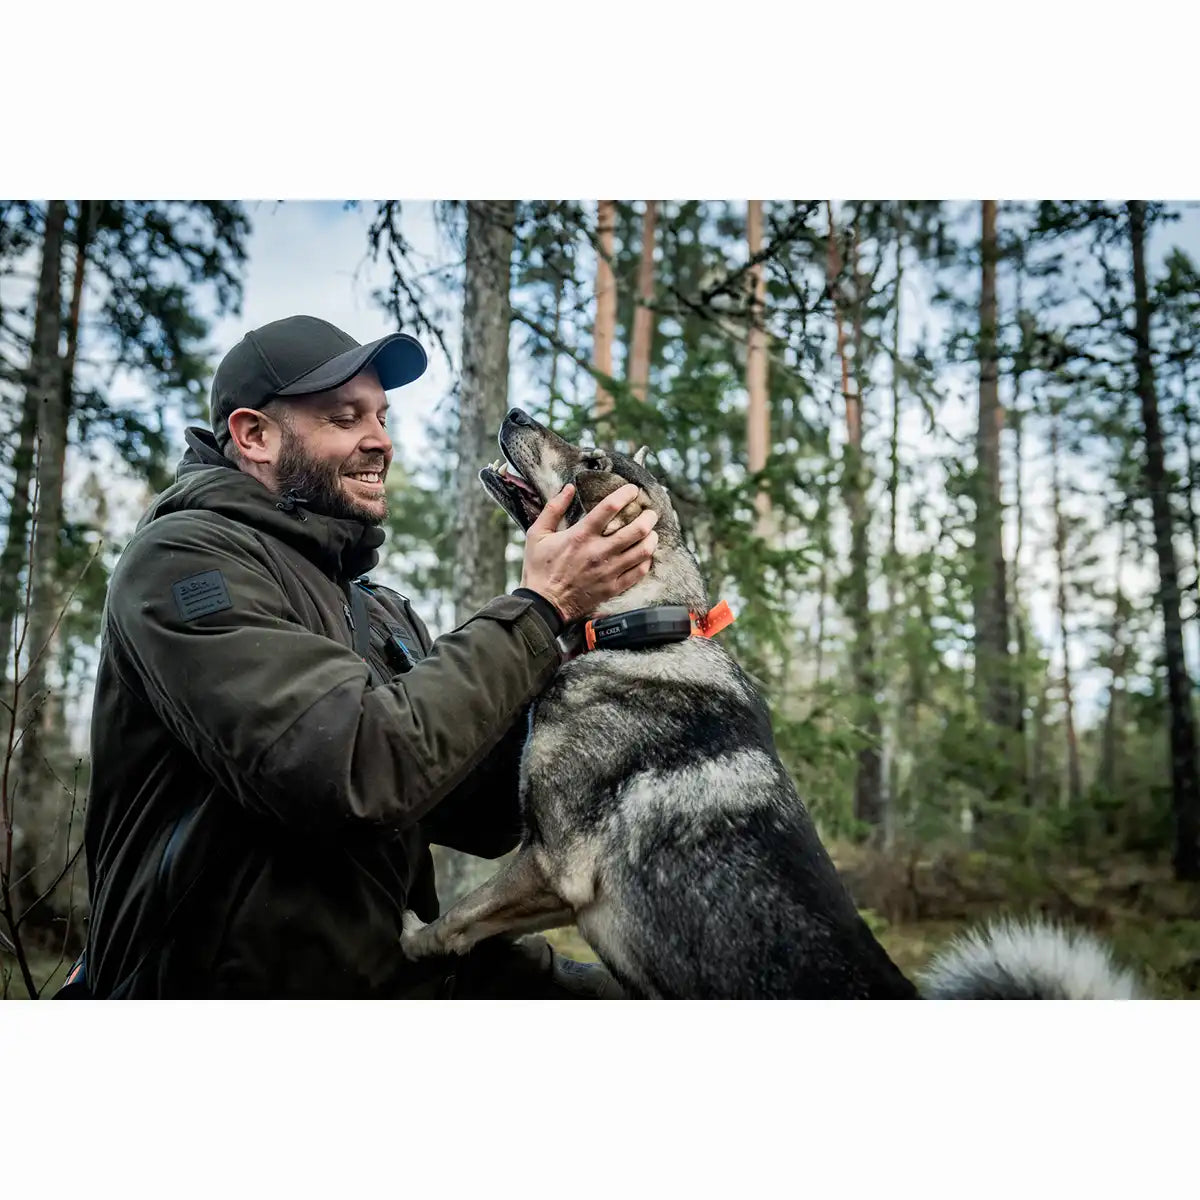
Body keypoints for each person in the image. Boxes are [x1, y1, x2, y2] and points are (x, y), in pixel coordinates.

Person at [74, 314, 658, 998]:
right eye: (344, 418)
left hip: (400, 969)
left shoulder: (378, 608)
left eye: (381, 416)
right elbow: (351, 771)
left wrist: (584, 637)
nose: (380, 439)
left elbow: (483, 812)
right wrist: (540, 607)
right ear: (253, 436)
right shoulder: (183, 561)